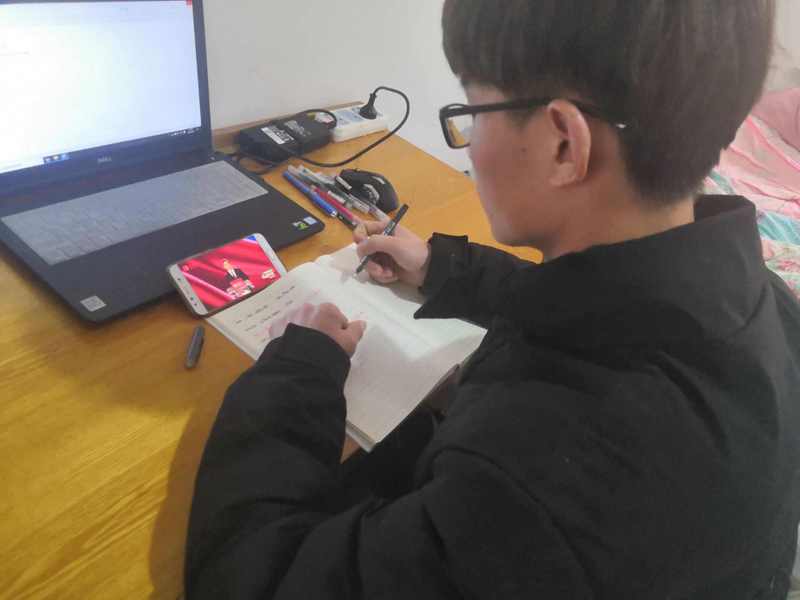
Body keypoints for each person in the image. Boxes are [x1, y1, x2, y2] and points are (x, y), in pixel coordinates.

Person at [185, 1, 800, 598]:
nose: (469, 145)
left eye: (473, 113)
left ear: (564, 145)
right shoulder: (755, 300)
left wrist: (297, 373)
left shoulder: (537, 490)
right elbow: (599, 302)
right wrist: (447, 269)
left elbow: (246, 579)